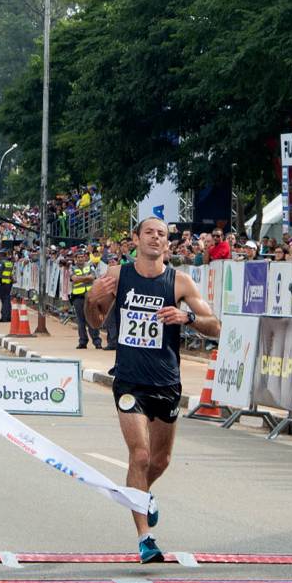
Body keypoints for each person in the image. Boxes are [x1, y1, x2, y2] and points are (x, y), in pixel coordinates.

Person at [86, 217, 220, 564]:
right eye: (149, 232)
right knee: (140, 455)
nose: (156, 238)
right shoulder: (118, 276)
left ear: (168, 244)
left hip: (166, 382)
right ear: (136, 238)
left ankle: (144, 495)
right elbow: (95, 321)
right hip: (130, 380)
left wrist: (187, 318)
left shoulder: (179, 282)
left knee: (160, 460)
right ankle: (145, 537)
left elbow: (216, 326)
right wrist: (91, 299)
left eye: (162, 234)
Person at [69, 247, 103, 349]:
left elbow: (92, 277)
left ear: (85, 258)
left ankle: (97, 342)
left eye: (82, 257)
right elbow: (74, 279)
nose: (80, 259)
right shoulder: (72, 268)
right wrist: (85, 278)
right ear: (75, 258)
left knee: (92, 319)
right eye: (78, 257)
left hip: (90, 297)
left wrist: (81, 279)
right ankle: (83, 342)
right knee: (81, 321)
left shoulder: (90, 266)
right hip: (77, 298)